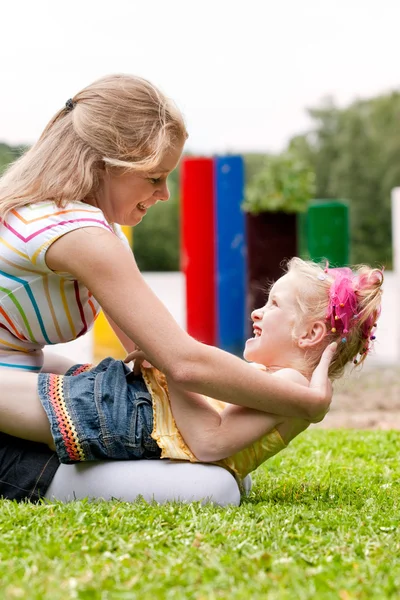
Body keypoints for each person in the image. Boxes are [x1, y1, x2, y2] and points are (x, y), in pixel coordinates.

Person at [0, 74, 332, 504]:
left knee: (209, 468)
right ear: (104, 165)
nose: (165, 193)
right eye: (154, 177)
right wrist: (303, 400)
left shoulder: (87, 228)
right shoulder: (76, 233)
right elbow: (183, 362)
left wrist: (216, 426)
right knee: (212, 489)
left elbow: (148, 352)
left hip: (19, 378)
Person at [1, 258, 383, 498]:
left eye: (274, 305)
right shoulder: (283, 382)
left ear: (310, 334)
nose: (258, 312)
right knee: (29, 366)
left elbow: (207, 441)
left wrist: (169, 365)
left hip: (130, 419)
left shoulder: (293, 386)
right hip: (132, 408)